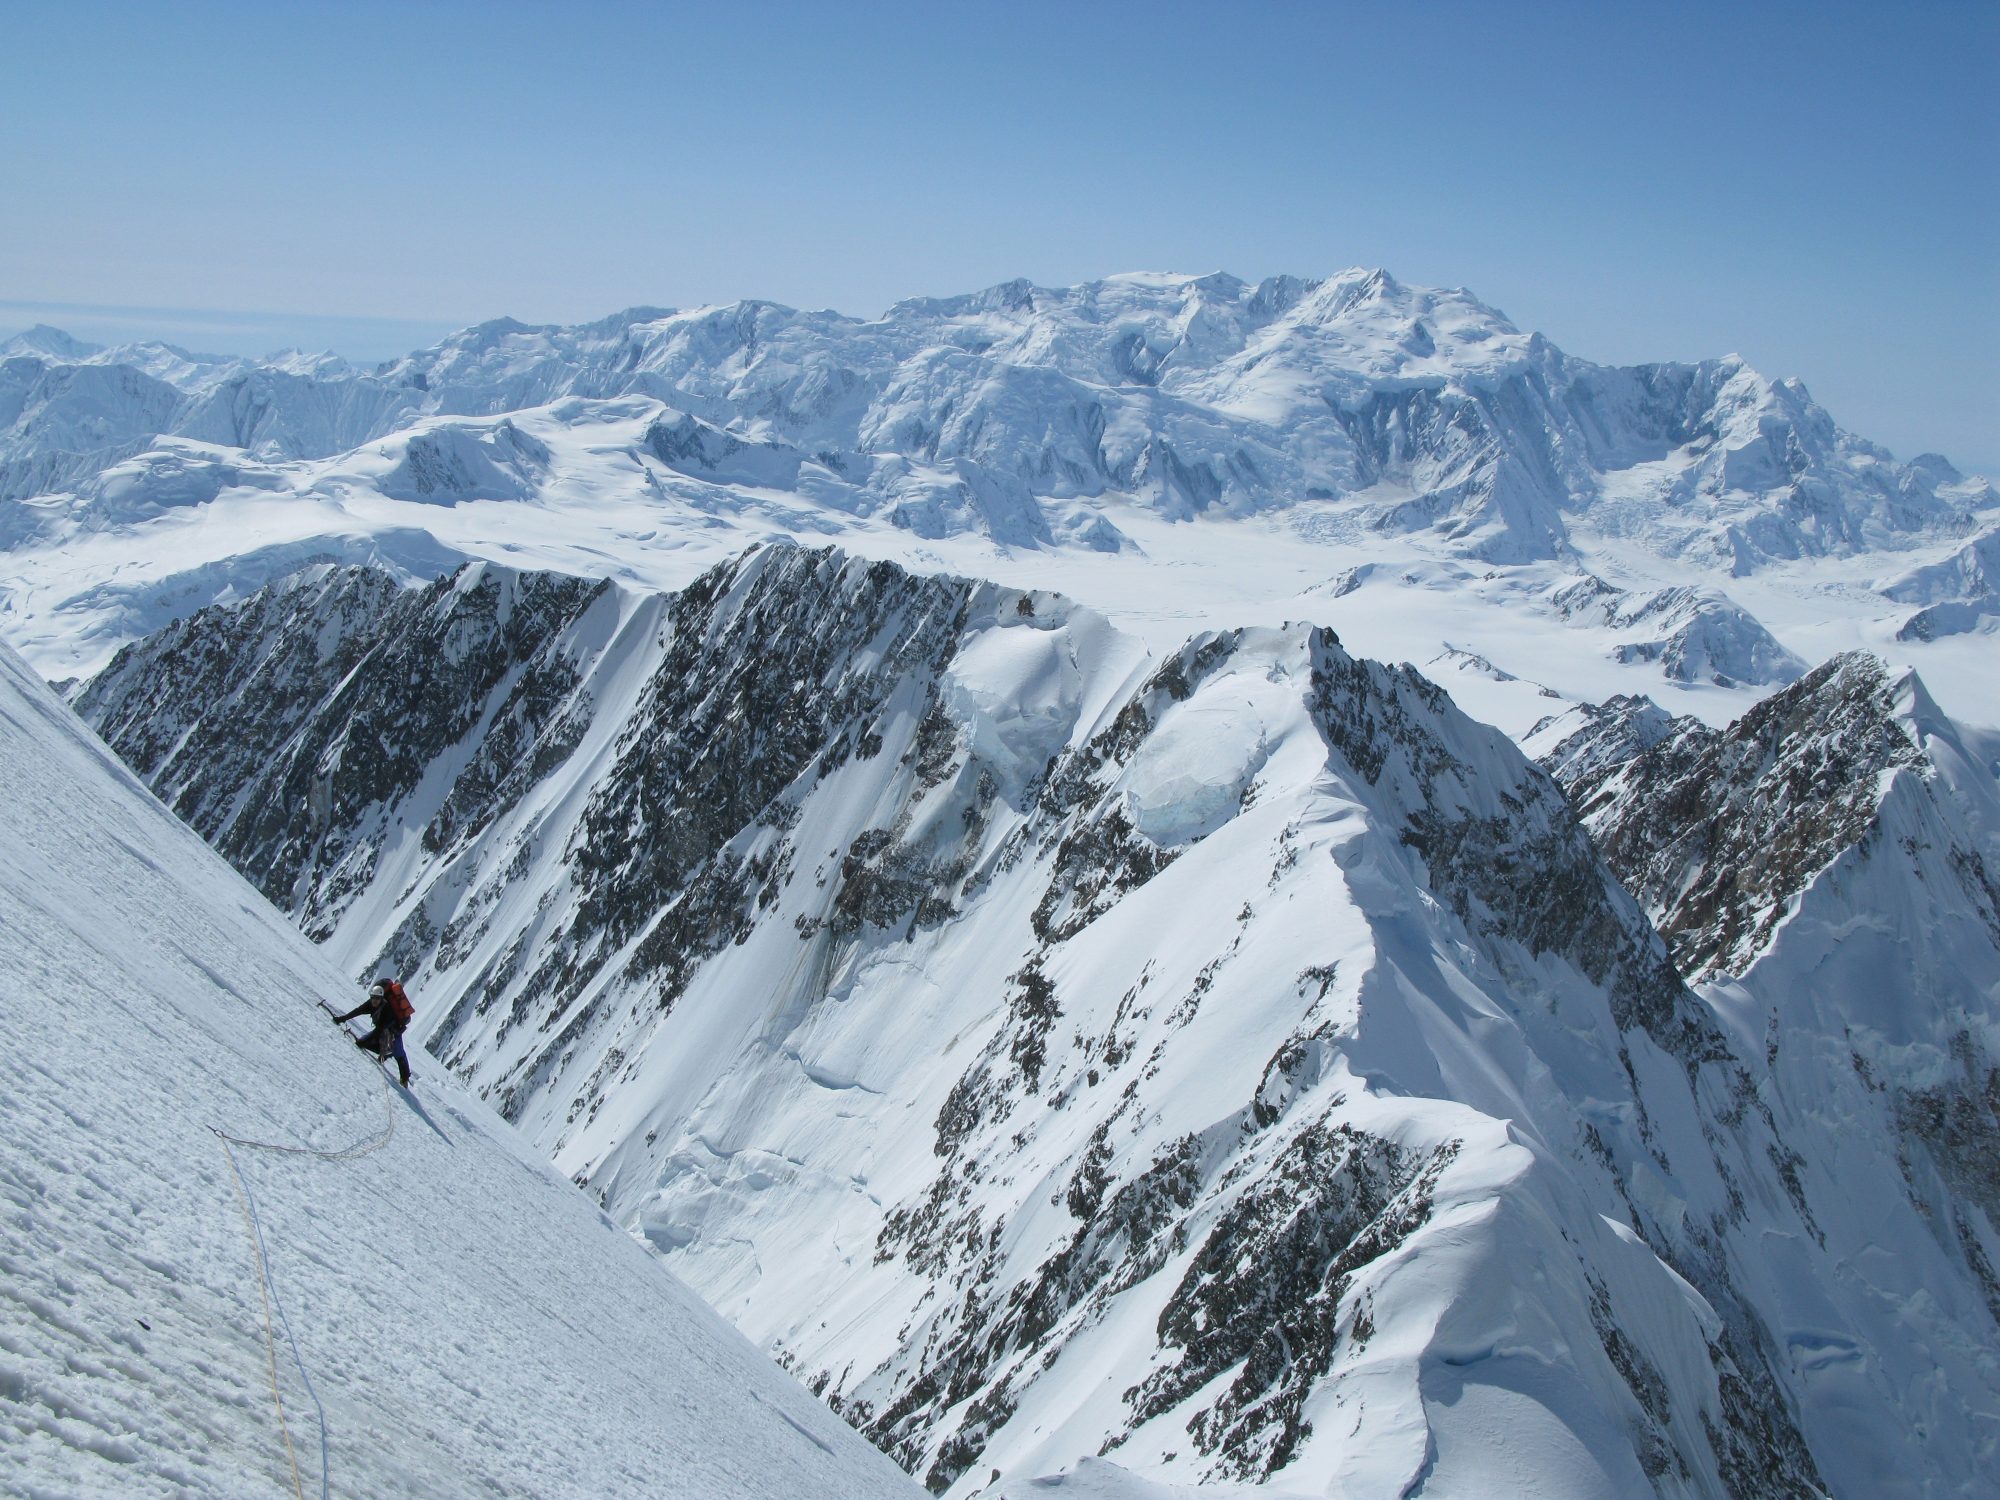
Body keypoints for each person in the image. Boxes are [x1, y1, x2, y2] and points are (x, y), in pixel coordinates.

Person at [333, 977, 414, 1086]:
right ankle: (386, 1054)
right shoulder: (373, 1003)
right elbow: (358, 1011)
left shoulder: (388, 1010)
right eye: (373, 998)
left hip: (394, 1031)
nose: (374, 1001)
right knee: (397, 1052)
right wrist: (342, 1018)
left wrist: (362, 1042)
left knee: (398, 1053)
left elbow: (378, 1031)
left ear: (381, 998)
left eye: (376, 999)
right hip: (385, 1030)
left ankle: (404, 1079)